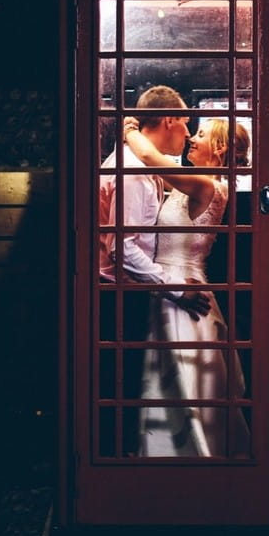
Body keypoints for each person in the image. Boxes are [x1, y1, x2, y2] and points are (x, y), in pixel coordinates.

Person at [123, 114, 251, 457]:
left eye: (202, 134)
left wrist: (128, 128)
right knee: (169, 386)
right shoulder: (193, 184)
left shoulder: (208, 186)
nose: (192, 139)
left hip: (182, 295)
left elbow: (149, 159)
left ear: (220, 147)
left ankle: (195, 461)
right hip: (168, 287)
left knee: (184, 386)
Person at [99, 85, 210, 454]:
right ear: (169, 120)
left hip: (130, 290)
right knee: (121, 387)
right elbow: (124, 248)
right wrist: (176, 289)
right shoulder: (133, 172)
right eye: (186, 124)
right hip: (116, 294)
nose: (189, 134)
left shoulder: (137, 164)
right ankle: (118, 463)